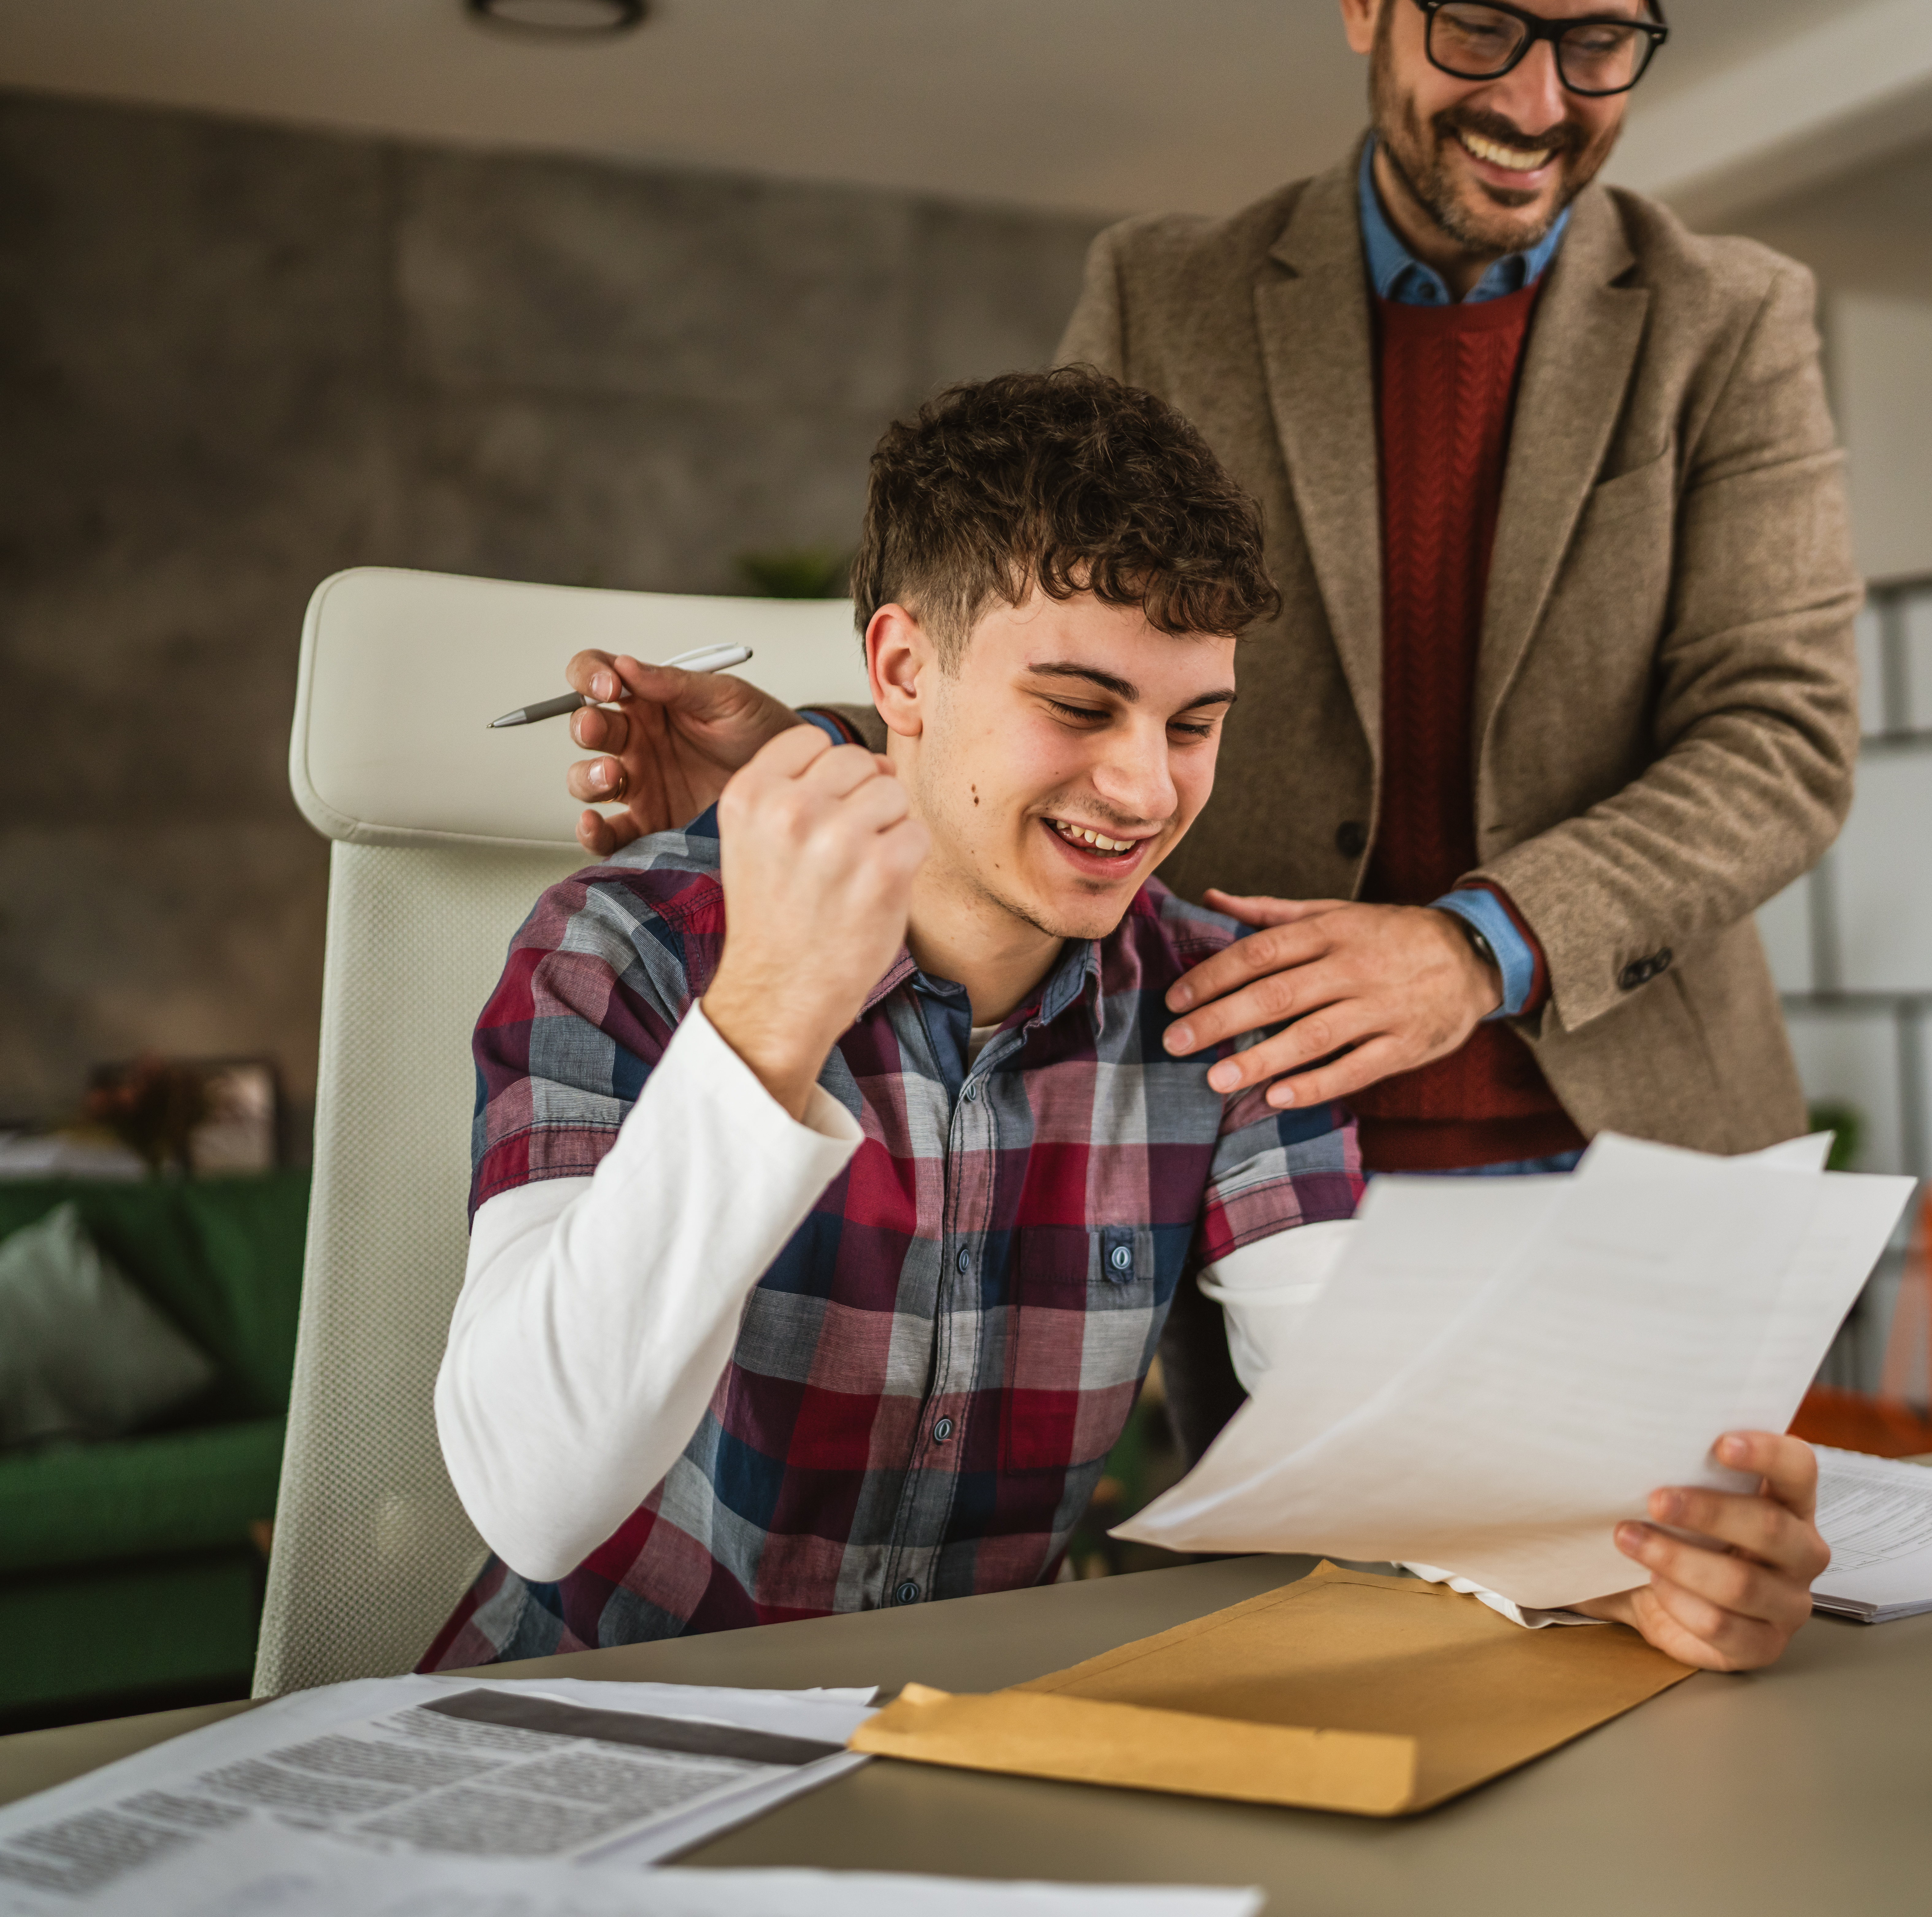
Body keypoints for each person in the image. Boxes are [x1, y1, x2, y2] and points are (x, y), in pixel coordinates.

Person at [550, 0, 1861, 1455]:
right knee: (1306, 1642)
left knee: (1669, 1615)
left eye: (1603, 40)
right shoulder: (1166, 290)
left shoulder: (1730, 318)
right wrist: (822, 756)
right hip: (1255, 1146)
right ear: (1366, 9)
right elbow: (1041, 637)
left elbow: (1783, 735)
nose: (1541, 101)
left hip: (1633, 1146)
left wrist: (1475, 945)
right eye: (1486, 28)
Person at [427, 367, 1831, 1675]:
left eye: (1192, 723)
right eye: (1080, 706)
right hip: (600, 1728)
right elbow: (538, 1506)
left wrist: (1632, 1563)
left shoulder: (1211, 1000)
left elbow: (1371, 1412)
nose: (1146, 790)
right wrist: (769, 1021)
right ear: (904, 674)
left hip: (966, 1754)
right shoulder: (625, 946)